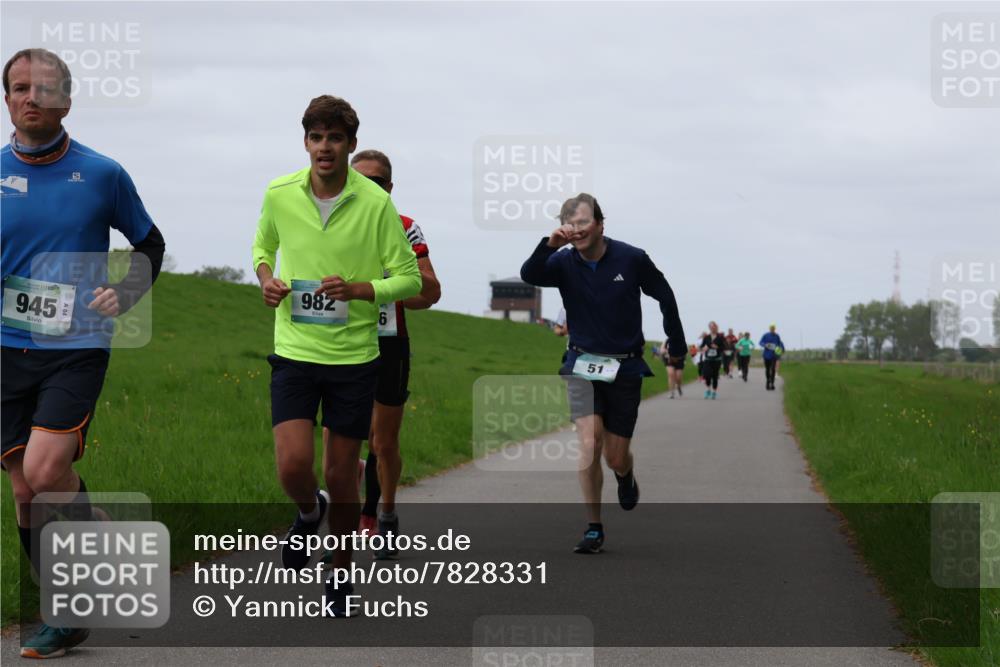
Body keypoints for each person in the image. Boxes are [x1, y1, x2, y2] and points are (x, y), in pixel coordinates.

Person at [2, 49, 166, 659]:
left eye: (42, 90)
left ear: (65, 101)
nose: (30, 99)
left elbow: (150, 243)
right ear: (8, 99)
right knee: (25, 493)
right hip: (4, 350)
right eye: (18, 89)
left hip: (75, 346)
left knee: (46, 474)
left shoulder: (102, 174)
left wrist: (123, 293)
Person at [252, 96, 421, 615]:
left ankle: (340, 575)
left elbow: (408, 278)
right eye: (316, 137)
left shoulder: (375, 203)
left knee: (342, 474)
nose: (324, 148)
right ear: (306, 142)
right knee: (293, 465)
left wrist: (361, 289)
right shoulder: (280, 194)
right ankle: (308, 514)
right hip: (295, 350)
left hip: (353, 358)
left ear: (349, 144)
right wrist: (267, 281)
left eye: (334, 139)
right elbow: (262, 249)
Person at [520, 193, 686, 554]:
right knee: (589, 441)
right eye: (570, 224)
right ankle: (594, 526)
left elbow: (664, 295)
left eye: (583, 222)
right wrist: (549, 244)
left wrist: (677, 341)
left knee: (614, 456)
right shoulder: (562, 262)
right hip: (581, 362)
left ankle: (624, 474)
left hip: (625, 363)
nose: (576, 230)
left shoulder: (631, 258)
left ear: (599, 224)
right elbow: (529, 274)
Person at [344, 149, 440, 555]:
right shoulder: (330, 226)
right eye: (360, 180)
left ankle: (384, 513)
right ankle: (348, 524)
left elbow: (430, 291)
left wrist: (393, 288)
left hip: (389, 342)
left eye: (377, 182)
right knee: (347, 440)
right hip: (341, 343)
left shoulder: (405, 228)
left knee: (383, 442)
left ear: (390, 187)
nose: (369, 187)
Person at [700, 322, 727, 399]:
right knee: (707, 375)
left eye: (713, 327)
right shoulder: (706, 337)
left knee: (715, 376)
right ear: (709, 328)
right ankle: (708, 389)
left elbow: (724, 348)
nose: (712, 328)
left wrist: (717, 347)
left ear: (716, 327)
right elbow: (701, 347)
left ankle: (714, 392)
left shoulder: (720, 337)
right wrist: (703, 348)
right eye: (710, 327)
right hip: (708, 359)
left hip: (717, 360)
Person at [759, 324, 786, 391]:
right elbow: (760, 342)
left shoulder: (777, 336)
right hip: (766, 355)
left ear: (775, 329)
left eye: (773, 328)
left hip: (774, 355)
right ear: (769, 329)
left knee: (773, 369)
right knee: (767, 369)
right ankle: (768, 382)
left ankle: (772, 383)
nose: (772, 329)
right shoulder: (765, 335)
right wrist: (765, 345)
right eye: (771, 328)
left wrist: (781, 349)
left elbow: (780, 344)